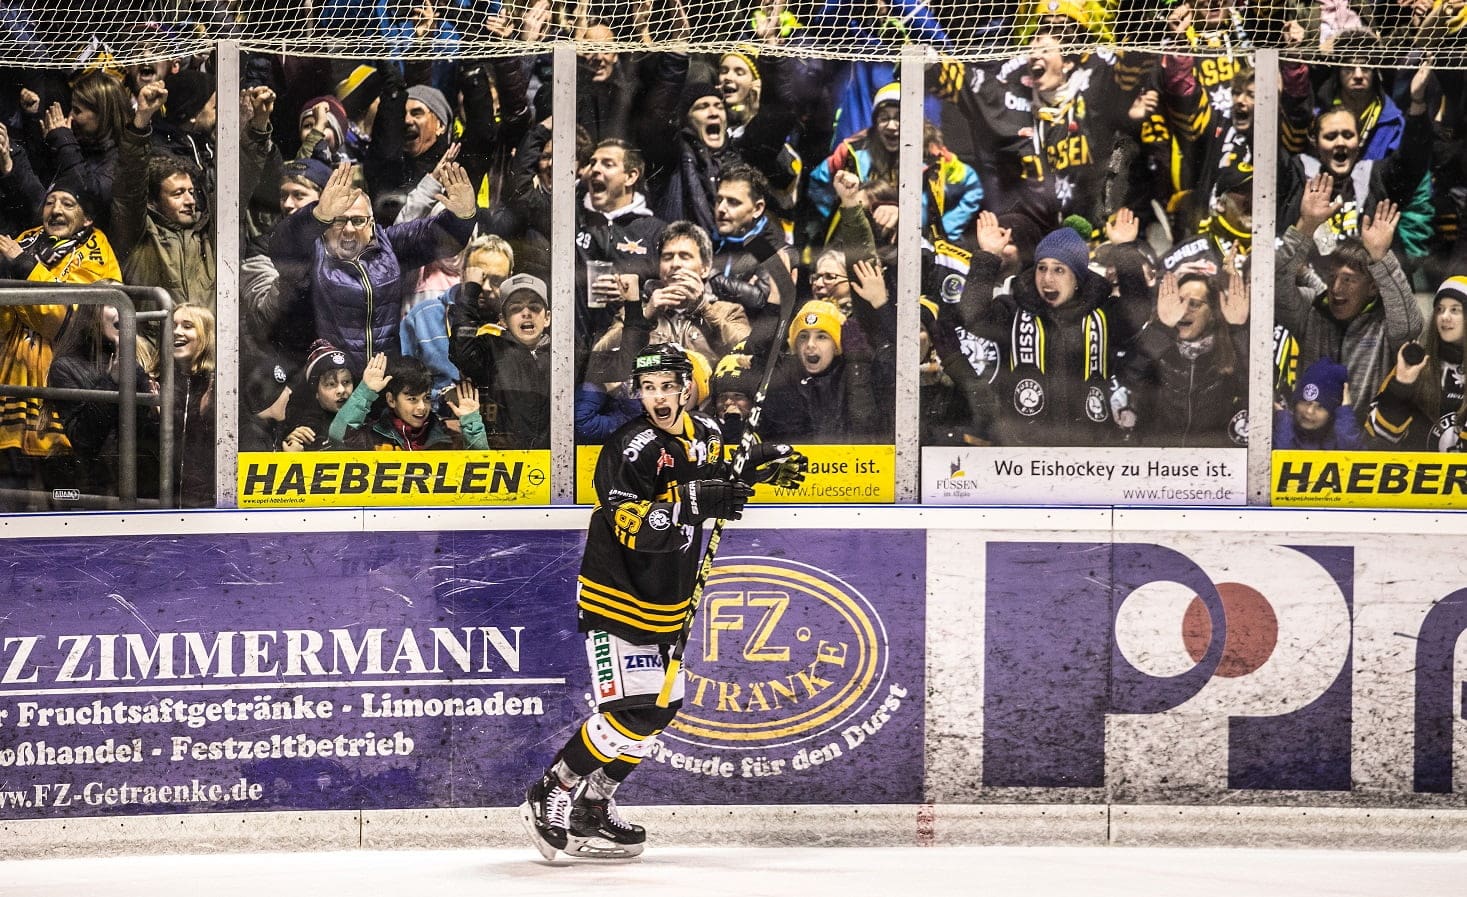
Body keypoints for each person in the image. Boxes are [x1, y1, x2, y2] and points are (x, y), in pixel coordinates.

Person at [521, 342, 806, 861]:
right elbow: (630, 522)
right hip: (617, 594)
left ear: (687, 389)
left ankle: (594, 806)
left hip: (667, 599)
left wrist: (771, 461)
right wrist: (695, 502)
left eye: (667, 386)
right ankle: (554, 790)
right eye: (648, 388)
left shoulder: (708, 434)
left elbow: (737, 460)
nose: (658, 397)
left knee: (660, 708)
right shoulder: (629, 447)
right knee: (629, 711)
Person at [449, 273, 552, 449]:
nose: (526, 313)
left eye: (534, 307)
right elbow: (462, 349)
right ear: (503, 320)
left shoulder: (563, 353)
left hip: (553, 462)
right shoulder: (492, 349)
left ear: (547, 318)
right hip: (506, 460)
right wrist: (471, 289)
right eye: (516, 308)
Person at [1365, 277, 1467, 451]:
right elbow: (1377, 436)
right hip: (1416, 476)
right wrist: (1401, 387)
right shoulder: (1417, 364)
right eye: (1440, 309)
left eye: (1455, 310)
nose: (1444, 317)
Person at [329, 353, 488, 451]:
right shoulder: (373, 436)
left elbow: (483, 468)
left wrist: (471, 424)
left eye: (426, 398)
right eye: (412, 399)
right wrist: (365, 391)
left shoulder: (447, 435)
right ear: (391, 400)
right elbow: (337, 435)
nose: (421, 407)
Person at [1273, 356, 1365, 450]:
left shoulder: (1339, 437)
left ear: (1332, 412)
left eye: (1321, 406)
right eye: (1306, 402)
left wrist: (1345, 414)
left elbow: (1353, 457)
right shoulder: (1282, 426)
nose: (1310, 411)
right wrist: (1283, 422)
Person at [280, 340, 356, 452]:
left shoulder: (367, 421)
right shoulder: (302, 433)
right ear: (315, 391)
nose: (341, 390)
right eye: (331, 384)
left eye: (346, 382)